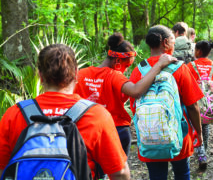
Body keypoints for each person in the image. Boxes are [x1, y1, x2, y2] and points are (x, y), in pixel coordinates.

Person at [0, 44, 130, 180]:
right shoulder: (96, 115)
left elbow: (2, 169)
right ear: (76, 73)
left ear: (40, 75)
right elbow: (120, 173)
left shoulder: (14, 114)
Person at [74, 33, 176, 158]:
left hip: (85, 131)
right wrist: (159, 65)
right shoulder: (114, 75)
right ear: (117, 61)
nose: (126, 70)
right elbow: (136, 91)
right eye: (126, 66)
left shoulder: (81, 74)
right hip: (115, 130)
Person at [129, 25, 204, 180]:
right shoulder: (179, 68)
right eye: (172, 40)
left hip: (150, 136)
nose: (175, 43)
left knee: (157, 176)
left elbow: (133, 105)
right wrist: (199, 131)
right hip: (179, 135)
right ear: (165, 42)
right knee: (182, 173)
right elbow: (192, 105)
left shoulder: (139, 70)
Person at [187, 40, 213, 170]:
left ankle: (199, 153)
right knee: (205, 127)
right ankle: (203, 153)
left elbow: (186, 84)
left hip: (194, 101)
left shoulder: (190, 66)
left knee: (194, 127)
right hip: (208, 103)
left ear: (198, 51)